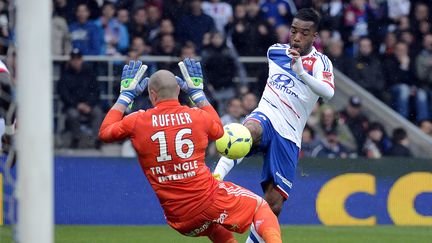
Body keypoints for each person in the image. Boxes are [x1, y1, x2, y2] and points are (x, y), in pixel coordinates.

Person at [99, 58, 282, 243]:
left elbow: (105, 133)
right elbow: (219, 131)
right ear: (178, 90)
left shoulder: (137, 121)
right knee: (262, 209)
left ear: (152, 95)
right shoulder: (196, 116)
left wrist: (125, 97)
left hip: (179, 219)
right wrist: (198, 93)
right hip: (207, 198)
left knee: (215, 230)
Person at [213, 8, 335, 242]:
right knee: (247, 131)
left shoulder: (321, 63)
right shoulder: (275, 52)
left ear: (314, 36)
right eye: (293, 31)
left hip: (289, 135)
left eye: (304, 33)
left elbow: (328, 92)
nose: (297, 37)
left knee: (273, 206)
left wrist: (302, 73)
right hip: (266, 115)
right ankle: (215, 178)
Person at [58, 49, 103, 148]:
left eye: (77, 59)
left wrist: (89, 104)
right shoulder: (65, 74)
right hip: (73, 106)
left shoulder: (89, 72)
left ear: (81, 59)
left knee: (98, 113)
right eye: (73, 59)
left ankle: (96, 139)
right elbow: (64, 94)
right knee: (72, 114)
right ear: (70, 60)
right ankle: (76, 138)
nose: (75, 61)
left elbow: (96, 91)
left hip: (89, 104)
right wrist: (77, 105)